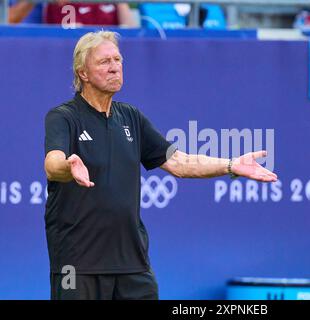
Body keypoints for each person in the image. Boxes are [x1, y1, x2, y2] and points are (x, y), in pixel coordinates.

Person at [44, 30, 277, 300]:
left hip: (132, 263)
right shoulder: (63, 117)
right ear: (83, 73)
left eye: (117, 59)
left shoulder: (131, 117)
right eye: (104, 62)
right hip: (77, 263)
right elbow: (52, 163)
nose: (114, 67)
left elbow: (179, 162)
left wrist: (230, 165)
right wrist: (69, 166)